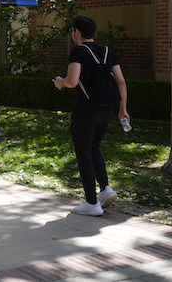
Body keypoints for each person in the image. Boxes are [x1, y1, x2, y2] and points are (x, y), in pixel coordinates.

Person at [53, 15, 128, 216]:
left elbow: (72, 81)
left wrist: (60, 81)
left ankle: (91, 202)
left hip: (86, 109)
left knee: (83, 151)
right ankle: (105, 189)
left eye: (72, 31)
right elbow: (121, 81)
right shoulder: (107, 51)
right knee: (94, 147)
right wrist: (123, 109)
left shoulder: (78, 52)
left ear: (76, 32)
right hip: (107, 109)